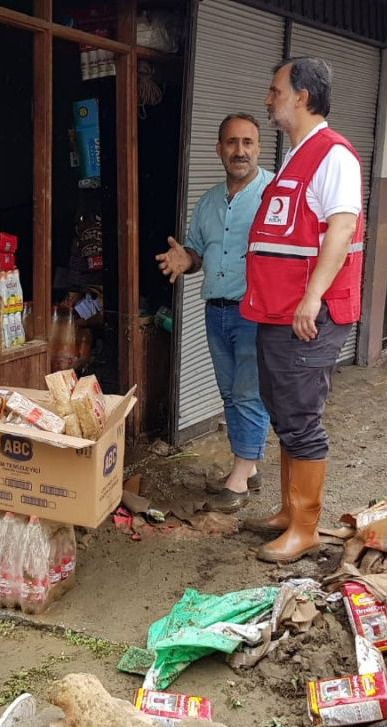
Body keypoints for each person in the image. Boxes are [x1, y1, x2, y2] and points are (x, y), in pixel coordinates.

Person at [241, 56, 364, 563]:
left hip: (307, 315)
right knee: (283, 409)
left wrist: (312, 296)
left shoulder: (334, 156)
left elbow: (341, 228)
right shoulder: (298, 155)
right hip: (278, 312)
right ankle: (291, 510)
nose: (269, 99)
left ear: (303, 97)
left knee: (300, 416)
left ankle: (306, 527)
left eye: (276, 91)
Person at [155, 113, 273, 513]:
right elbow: (197, 254)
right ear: (219, 149)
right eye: (231, 143)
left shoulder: (275, 194)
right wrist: (182, 259)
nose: (240, 151)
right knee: (229, 393)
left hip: (256, 313)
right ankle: (250, 468)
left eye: (248, 143)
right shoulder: (207, 202)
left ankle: (239, 479)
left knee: (247, 392)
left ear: (259, 147)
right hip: (217, 311)